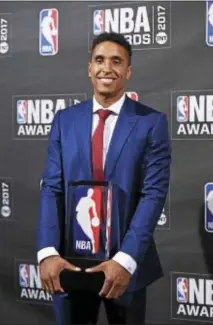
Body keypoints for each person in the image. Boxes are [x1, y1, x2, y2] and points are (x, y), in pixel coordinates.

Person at [37, 32, 171, 324]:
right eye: (99, 60)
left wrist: (125, 260)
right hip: (69, 264)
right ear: (89, 68)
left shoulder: (152, 123)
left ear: (128, 71)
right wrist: (47, 251)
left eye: (116, 61)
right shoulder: (65, 120)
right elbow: (52, 187)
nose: (106, 68)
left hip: (124, 265)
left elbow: (153, 195)